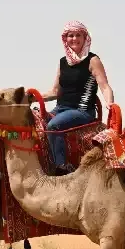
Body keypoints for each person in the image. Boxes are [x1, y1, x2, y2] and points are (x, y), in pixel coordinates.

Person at [41, 21, 114, 172]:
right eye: (70, 35)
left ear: (85, 38)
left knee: (53, 126)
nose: (74, 39)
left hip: (81, 111)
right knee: (34, 120)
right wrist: (31, 97)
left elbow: (105, 86)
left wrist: (110, 103)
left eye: (78, 35)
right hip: (60, 109)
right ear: (65, 39)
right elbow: (54, 92)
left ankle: (61, 166)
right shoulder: (63, 62)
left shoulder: (93, 60)